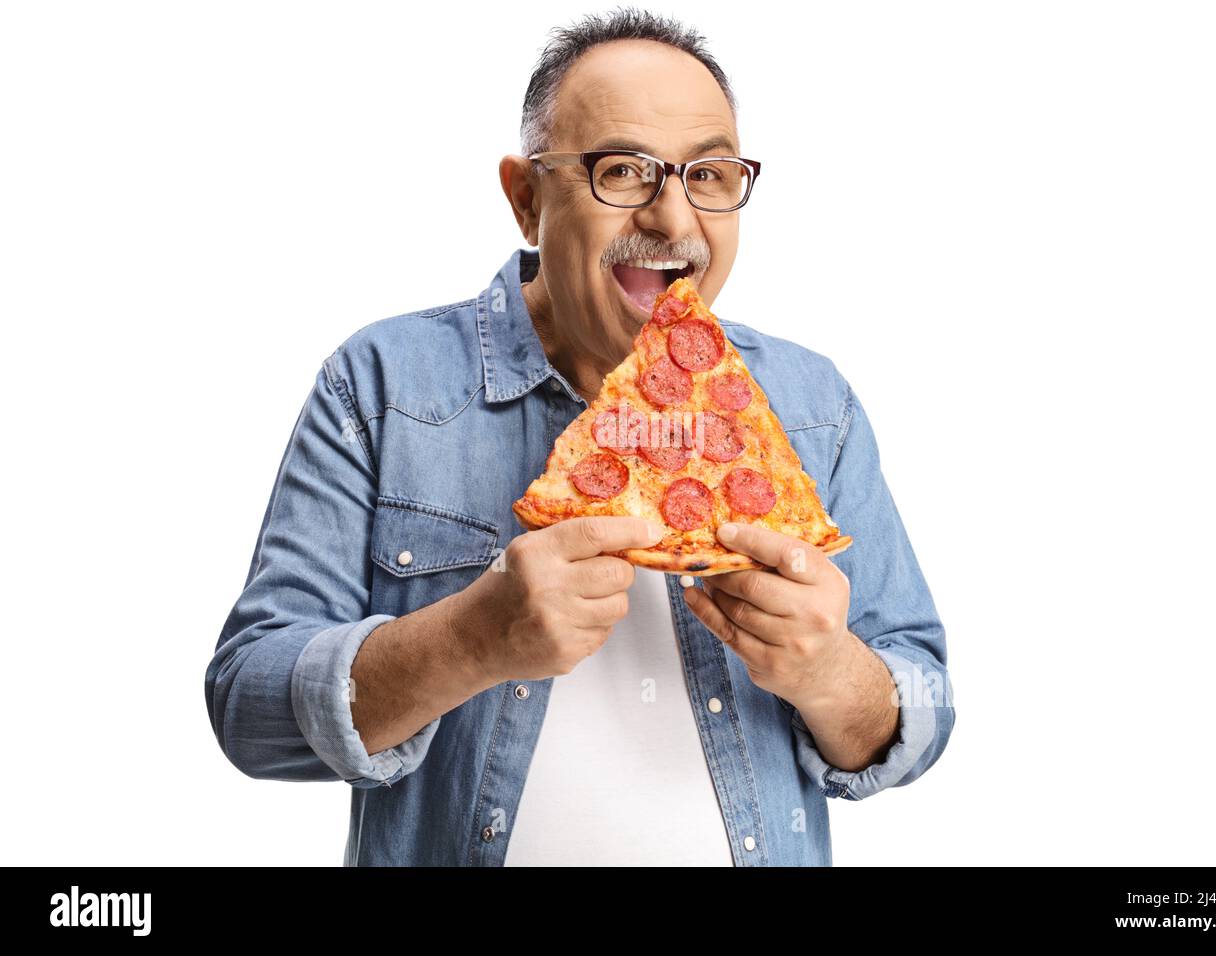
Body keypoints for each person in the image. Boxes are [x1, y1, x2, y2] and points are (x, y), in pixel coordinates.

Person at [205, 8, 954, 867]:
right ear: (527, 199)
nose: (675, 223)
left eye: (709, 174)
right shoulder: (381, 384)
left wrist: (830, 675)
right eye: (623, 170)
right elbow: (247, 709)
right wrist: (468, 642)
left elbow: (920, 715)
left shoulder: (812, 402)